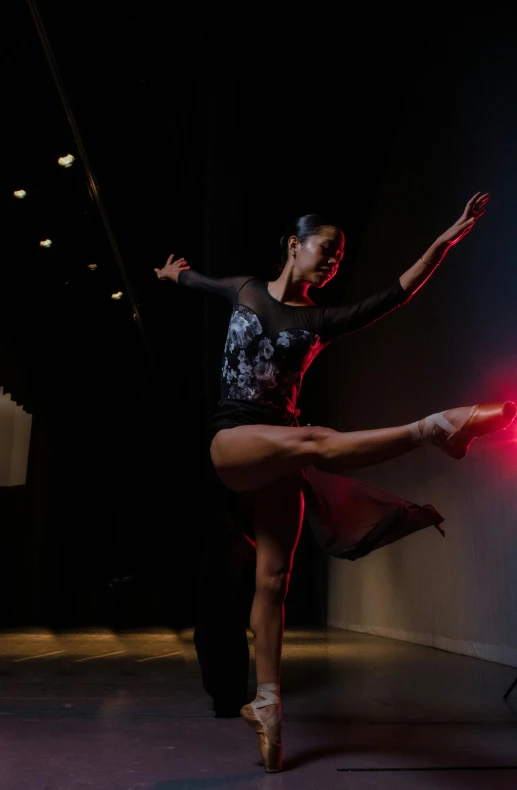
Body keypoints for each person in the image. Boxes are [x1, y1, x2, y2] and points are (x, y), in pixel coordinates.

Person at [154, 191, 516, 773]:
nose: (333, 264)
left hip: (284, 448)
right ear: (294, 245)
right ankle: (438, 427)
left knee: (273, 580)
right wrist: (176, 276)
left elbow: (392, 296)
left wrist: (444, 242)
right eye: (326, 251)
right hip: (235, 442)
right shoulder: (245, 289)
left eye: (340, 258)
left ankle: (269, 704)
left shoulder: (319, 320)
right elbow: (201, 282)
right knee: (318, 441)